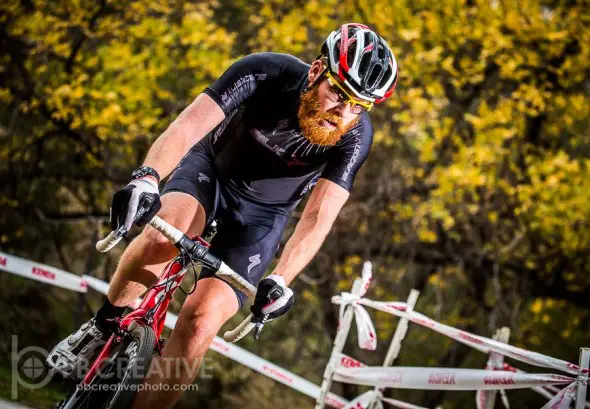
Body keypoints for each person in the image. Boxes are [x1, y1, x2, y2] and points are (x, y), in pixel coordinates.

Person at [46, 23, 398, 408]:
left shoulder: (356, 136)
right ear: (316, 71)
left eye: (358, 105)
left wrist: (281, 278)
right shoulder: (265, 72)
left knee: (199, 329)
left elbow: (319, 216)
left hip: (262, 216)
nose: (343, 111)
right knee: (164, 237)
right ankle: (102, 325)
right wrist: (147, 179)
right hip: (210, 172)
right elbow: (188, 125)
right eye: (338, 92)